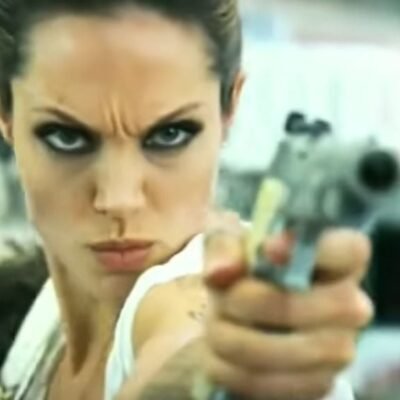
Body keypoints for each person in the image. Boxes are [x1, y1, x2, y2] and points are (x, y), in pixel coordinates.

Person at [0, 0, 373, 399]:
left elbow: (186, 346)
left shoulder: (195, 291)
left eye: (170, 134)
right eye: (66, 137)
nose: (119, 199)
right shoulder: (34, 320)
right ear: (6, 116)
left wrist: (230, 359)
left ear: (229, 107)